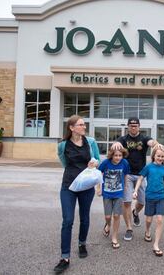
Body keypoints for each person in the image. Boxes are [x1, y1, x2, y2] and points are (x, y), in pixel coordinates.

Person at [55, 115, 100, 273]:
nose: (84, 127)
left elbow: (97, 159)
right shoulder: (63, 145)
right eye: (81, 125)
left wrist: (94, 162)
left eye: (84, 125)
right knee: (67, 220)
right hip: (68, 185)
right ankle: (64, 257)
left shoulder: (91, 142)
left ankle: (82, 243)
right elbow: (64, 162)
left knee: (84, 217)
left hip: (86, 185)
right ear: (72, 128)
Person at [111, 117, 162, 241]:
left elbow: (151, 142)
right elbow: (115, 145)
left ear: (139, 126)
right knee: (126, 202)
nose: (133, 127)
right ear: (128, 126)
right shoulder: (123, 139)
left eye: (135, 125)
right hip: (127, 175)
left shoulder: (144, 138)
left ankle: (135, 212)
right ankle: (129, 228)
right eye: (131, 125)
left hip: (141, 175)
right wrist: (115, 144)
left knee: (142, 202)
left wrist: (155, 144)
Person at [133, 146, 164, 257]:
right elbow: (140, 178)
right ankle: (147, 231)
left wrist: (163, 191)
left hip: (160, 197)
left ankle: (156, 245)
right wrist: (135, 191)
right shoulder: (148, 167)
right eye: (158, 156)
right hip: (149, 196)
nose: (160, 158)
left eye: (162, 156)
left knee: (159, 220)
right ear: (153, 156)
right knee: (149, 220)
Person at [96, 147, 130, 250]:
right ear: (111, 155)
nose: (118, 157)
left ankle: (114, 237)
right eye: (116, 155)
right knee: (107, 216)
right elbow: (98, 174)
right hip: (107, 193)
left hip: (119, 193)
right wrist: (98, 188)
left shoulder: (124, 163)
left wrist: (126, 186)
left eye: (120, 155)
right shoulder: (106, 163)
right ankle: (108, 225)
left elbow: (125, 174)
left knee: (116, 215)